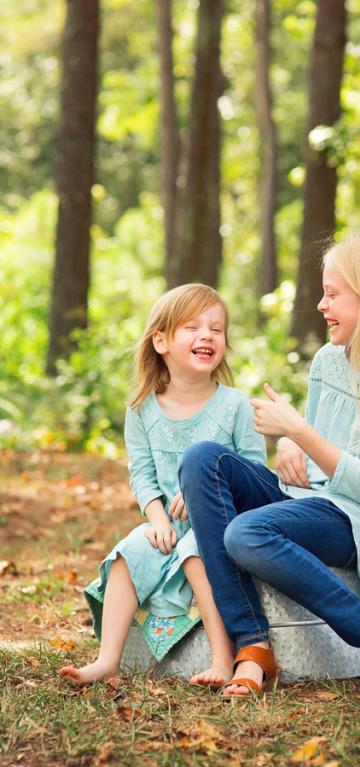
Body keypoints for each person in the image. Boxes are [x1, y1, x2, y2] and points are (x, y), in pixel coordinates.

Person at [179, 229, 360, 700]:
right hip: (304, 499)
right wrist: (291, 445)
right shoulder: (327, 360)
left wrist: (298, 432)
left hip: (353, 521)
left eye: (333, 295)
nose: (321, 306)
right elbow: (318, 446)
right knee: (203, 458)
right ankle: (254, 644)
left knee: (246, 533)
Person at [59, 284, 266, 688]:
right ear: (161, 341)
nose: (207, 335)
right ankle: (107, 659)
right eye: (192, 327)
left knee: (194, 553)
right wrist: (156, 519)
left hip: (222, 521)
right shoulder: (141, 408)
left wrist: (202, 489)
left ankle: (223, 658)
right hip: (167, 522)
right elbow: (143, 474)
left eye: (217, 329)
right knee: (127, 554)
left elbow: (254, 470)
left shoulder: (235, 405)